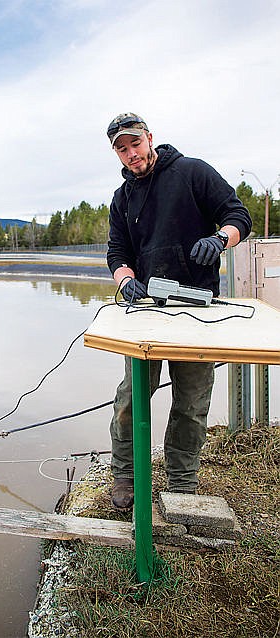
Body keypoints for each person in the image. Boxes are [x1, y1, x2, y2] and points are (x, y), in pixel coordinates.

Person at [106, 112, 252, 510]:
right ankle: (126, 475)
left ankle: (182, 484)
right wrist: (124, 281)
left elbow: (239, 216)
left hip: (198, 313)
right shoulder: (122, 199)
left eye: (135, 143)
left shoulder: (192, 172)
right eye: (121, 148)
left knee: (190, 405)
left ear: (149, 138)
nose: (130, 153)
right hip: (148, 312)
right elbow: (117, 253)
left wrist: (221, 239)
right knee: (130, 399)